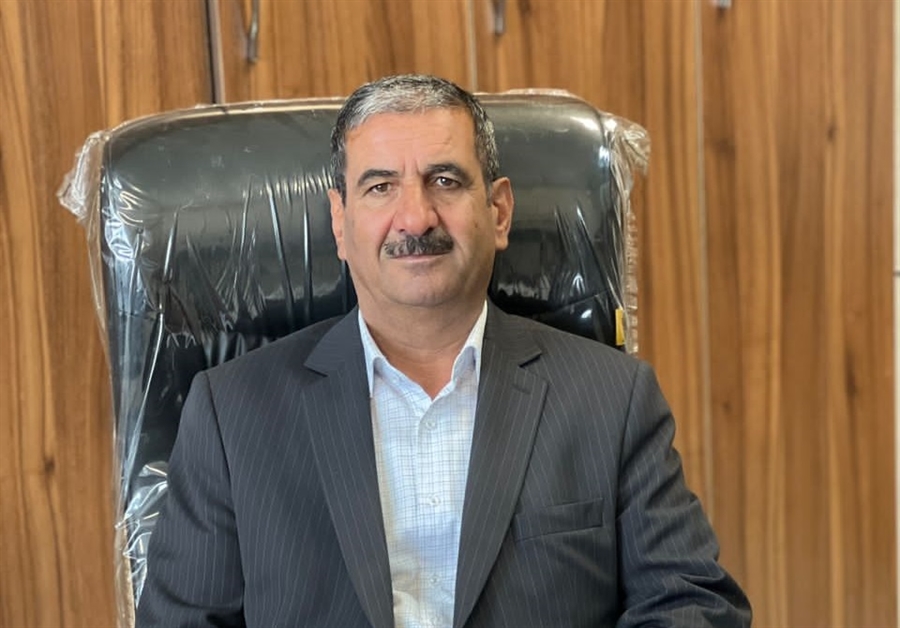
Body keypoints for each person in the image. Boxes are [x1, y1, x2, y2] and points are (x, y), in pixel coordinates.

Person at [137, 74, 751, 627]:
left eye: (445, 181)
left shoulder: (612, 400)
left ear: (499, 212)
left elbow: (693, 604)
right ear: (340, 222)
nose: (416, 217)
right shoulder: (232, 414)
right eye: (381, 186)